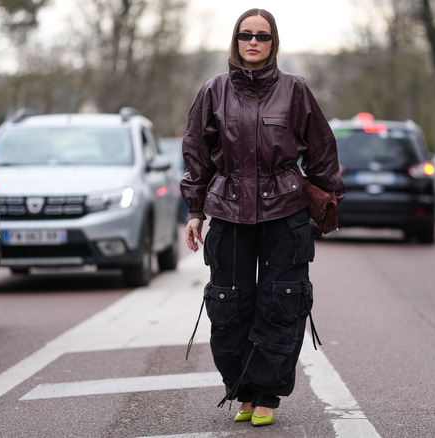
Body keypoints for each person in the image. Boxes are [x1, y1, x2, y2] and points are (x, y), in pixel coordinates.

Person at [180, 8, 344, 427]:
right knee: (228, 303)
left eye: (262, 36)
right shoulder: (213, 91)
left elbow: (322, 148)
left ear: (274, 43)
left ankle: (267, 392)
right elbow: (196, 155)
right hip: (229, 211)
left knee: (281, 302)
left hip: (285, 211)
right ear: (235, 40)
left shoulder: (295, 90)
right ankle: (242, 390)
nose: (253, 42)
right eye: (245, 35)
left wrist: (329, 201)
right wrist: (195, 211)